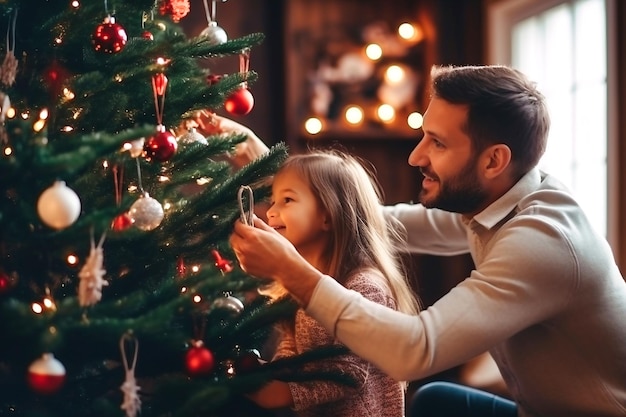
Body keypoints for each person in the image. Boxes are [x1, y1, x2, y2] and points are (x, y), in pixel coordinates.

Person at [226, 64, 626, 417]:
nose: (416, 157)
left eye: (438, 142)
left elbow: (414, 351)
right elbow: (362, 219)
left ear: (493, 161)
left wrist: (288, 269)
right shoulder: (501, 201)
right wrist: (270, 170)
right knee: (435, 401)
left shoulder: (541, 242)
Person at [234, 149, 420, 416]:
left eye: (287, 200)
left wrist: (283, 393)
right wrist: (272, 371)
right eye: (273, 201)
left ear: (328, 216)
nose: (271, 212)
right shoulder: (301, 281)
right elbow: (292, 343)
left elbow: (349, 372)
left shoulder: (365, 287)